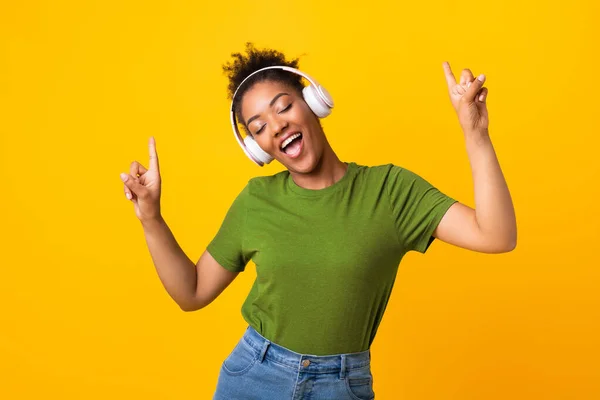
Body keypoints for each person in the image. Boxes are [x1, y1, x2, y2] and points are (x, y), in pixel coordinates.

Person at [119, 42, 517, 400]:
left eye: (284, 106)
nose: (276, 127)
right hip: (254, 376)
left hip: (341, 385)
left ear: (313, 101)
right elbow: (191, 293)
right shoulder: (256, 200)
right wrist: (151, 217)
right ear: (258, 148)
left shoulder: (390, 190)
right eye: (258, 128)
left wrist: (476, 133)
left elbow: (496, 234)